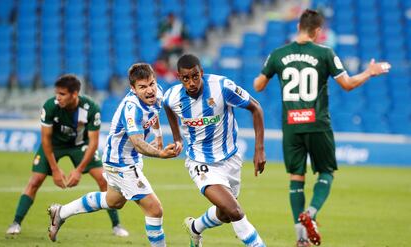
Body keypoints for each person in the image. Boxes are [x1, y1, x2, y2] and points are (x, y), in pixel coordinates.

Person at [253, 9, 391, 247]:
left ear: (298, 26)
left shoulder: (278, 54)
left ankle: (301, 239)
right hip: (317, 124)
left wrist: (273, 71)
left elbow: (258, 85)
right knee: (326, 172)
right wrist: (369, 72)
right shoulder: (325, 53)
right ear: (318, 32)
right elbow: (347, 85)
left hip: (291, 126)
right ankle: (312, 213)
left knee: (296, 178)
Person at [47, 63, 180, 246]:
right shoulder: (131, 108)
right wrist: (160, 153)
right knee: (154, 209)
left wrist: (158, 137)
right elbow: (137, 142)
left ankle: (61, 212)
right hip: (121, 163)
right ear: (133, 89)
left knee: (113, 201)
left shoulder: (157, 93)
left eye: (151, 84)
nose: (150, 90)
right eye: (142, 87)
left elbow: (156, 112)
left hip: (126, 159)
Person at [6, 74, 129, 237]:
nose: (58, 98)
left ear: (74, 94)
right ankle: (16, 223)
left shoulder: (91, 108)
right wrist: (55, 170)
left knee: (102, 179)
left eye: (62, 94)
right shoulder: (50, 106)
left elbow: (93, 144)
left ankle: (116, 225)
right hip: (54, 145)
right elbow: (45, 140)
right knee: (35, 180)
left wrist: (78, 170)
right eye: (57, 93)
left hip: (80, 145)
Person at [163, 54, 266, 247]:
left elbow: (256, 108)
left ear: (201, 72)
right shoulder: (172, 96)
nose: (191, 82)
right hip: (200, 161)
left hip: (230, 159)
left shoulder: (222, 87)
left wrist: (259, 149)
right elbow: (167, 106)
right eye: (186, 78)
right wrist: (177, 137)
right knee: (235, 211)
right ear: (179, 78)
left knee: (225, 215)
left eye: (195, 76)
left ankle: (194, 228)